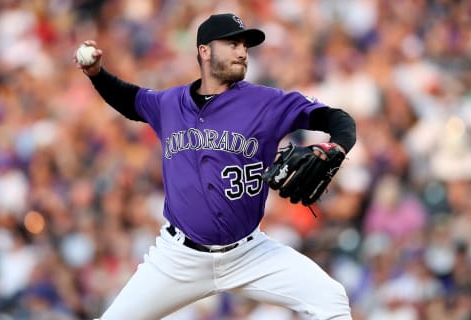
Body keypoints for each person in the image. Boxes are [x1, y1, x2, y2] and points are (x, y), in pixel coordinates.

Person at [76, 13, 356, 320]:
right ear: (204, 51)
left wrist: (338, 146)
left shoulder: (266, 102)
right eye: (233, 43)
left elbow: (336, 118)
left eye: (245, 46)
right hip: (178, 258)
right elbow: (129, 99)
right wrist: (97, 74)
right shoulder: (169, 103)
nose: (242, 52)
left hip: (249, 254)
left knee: (331, 299)